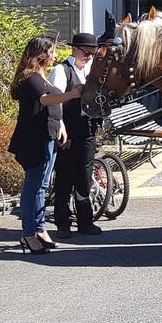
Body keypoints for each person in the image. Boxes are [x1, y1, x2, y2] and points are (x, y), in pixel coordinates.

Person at [7, 36, 82, 254]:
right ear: (41, 54)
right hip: (34, 139)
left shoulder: (43, 76)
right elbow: (45, 100)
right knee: (33, 186)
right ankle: (28, 234)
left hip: (48, 134)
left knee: (41, 186)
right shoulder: (31, 78)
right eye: (52, 51)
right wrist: (72, 94)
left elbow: (51, 106)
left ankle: (39, 229)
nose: (54, 55)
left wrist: (61, 125)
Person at [50, 33, 103, 238]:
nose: (89, 56)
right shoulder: (62, 70)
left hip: (87, 129)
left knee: (84, 177)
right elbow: (55, 102)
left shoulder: (90, 71)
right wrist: (61, 128)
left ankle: (85, 221)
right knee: (64, 178)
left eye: (92, 53)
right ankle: (62, 223)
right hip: (68, 129)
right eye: (86, 52)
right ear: (75, 49)